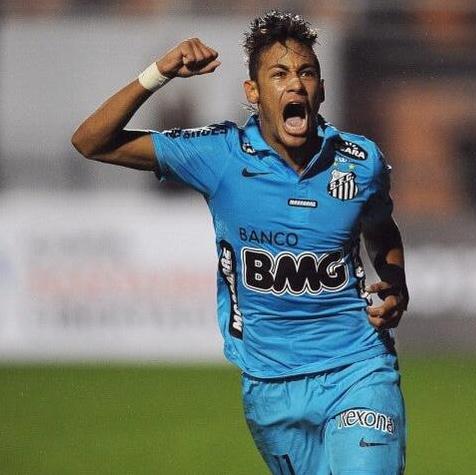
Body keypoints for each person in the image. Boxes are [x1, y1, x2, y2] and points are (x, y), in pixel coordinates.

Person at [72, 11, 408, 475]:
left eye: (306, 73)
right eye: (280, 74)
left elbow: (381, 228)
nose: (296, 85)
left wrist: (395, 285)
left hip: (358, 369)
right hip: (270, 388)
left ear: (321, 90)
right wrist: (159, 74)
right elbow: (92, 142)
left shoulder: (359, 162)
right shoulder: (220, 156)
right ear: (253, 93)